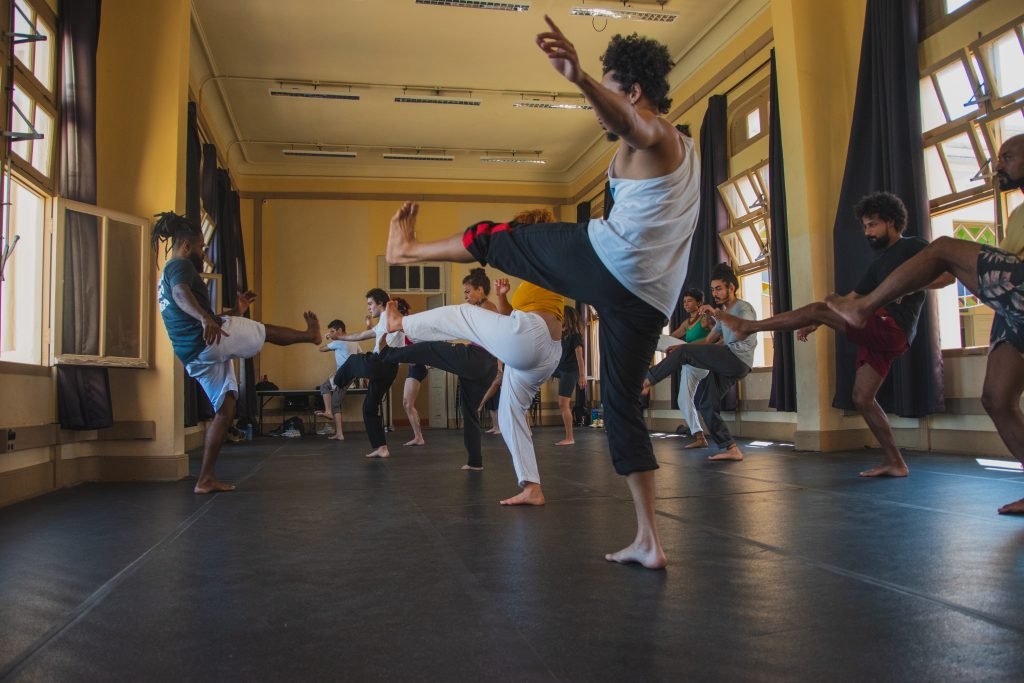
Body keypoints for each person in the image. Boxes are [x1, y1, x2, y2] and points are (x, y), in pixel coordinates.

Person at [384, 18, 700, 569]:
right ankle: (650, 540)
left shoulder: (659, 132)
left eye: (609, 85)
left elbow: (632, 123)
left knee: (497, 238)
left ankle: (406, 252)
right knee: (622, 407)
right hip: (648, 298)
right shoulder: (687, 153)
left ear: (635, 91)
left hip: (611, 262)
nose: (598, 100)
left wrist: (579, 78)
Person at [827, 135, 1024, 512]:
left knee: (945, 247)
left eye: (1008, 156)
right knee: (996, 399)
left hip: (1001, 294)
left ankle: (864, 308)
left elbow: (949, 272)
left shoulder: (911, 246)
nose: (998, 165)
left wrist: (873, 303)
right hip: (1013, 306)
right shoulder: (1016, 215)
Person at [718, 192, 955, 477]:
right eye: (865, 226)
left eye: (873, 225)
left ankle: (749, 327)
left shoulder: (913, 247)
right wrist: (819, 321)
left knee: (822, 305)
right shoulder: (877, 265)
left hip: (893, 327)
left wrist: (909, 286)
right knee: (862, 397)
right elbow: (851, 299)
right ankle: (896, 462)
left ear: (891, 222)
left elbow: (947, 276)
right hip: (879, 331)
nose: (868, 232)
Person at [386, 209, 565, 506]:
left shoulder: (548, 255)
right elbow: (511, 318)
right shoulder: (537, 275)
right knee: (509, 416)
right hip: (544, 352)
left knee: (465, 313)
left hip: (534, 339)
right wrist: (505, 296)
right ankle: (532, 487)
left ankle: (400, 325)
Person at [152, 212, 321, 493]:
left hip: (192, 353)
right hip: (204, 341)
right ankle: (310, 335)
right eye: (201, 247)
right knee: (261, 330)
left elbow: (205, 315)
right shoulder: (180, 267)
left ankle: (204, 479)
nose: (204, 252)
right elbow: (182, 296)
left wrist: (234, 312)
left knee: (227, 404)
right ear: (185, 246)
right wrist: (207, 320)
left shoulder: (167, 273)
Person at [643, 265, 756, 460]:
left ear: (731, 288)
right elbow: (707, 341)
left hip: (737, 359)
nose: (715, 293)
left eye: (719, 288)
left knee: (686, 352)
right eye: (713, 289)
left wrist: (715, 315)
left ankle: (647, 380)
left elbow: (742, 330)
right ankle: (730, 448)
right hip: (727, 363)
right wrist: (680, 348)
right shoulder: (722, 313)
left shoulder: (743, 308)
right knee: (706, 404)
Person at [330, 289, 403, 459]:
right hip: (390, 370)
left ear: (380, 304)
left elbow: (396, 321)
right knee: (370, 407)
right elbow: (363, 334)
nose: (369, 308)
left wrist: (392, 306)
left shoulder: (387, 315)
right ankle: (381, 448)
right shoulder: (384, 320)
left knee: (353, 360)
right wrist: (341, 337)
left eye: (370, 304)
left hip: (381, 362)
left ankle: (337, 383)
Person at [665, 288, 713, 448]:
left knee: (684, 400)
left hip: (701, 361)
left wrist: (686, 347)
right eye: (684, 302)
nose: (686, 304)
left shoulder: (705, 319)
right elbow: (673, 336)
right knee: (683, 400)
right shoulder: (687, 323)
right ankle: (699, 436)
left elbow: (714, 337)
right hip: (689, 362)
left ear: (699, 303)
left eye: (690, 301)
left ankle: (700, 437)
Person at [317, 319, 362, 441]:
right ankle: (339, 433)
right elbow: (360, 355)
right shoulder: (354, 340)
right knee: (336, 403)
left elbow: (321, 349)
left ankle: (327, 411)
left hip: (342, 374)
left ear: (340, 330)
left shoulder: (338, 342)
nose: (330, 333)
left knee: (324, 387)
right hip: (351, 375)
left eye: (332, 331)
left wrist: (329, 338)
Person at [393, 298, 428, 447]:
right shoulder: (403, 327)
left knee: (407, 403)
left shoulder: (410, 325)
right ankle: (418, 436)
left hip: (418, 366)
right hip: (414, 366)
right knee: (408, 403)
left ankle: (418, 437)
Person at [551, 305, 586, 445]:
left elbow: (579, 357)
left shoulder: (575, 336)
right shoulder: (563, 334)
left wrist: (582, 376)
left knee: (563, 404)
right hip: (561, 369)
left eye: (561, 315)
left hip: (571, 371)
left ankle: (569, 437)